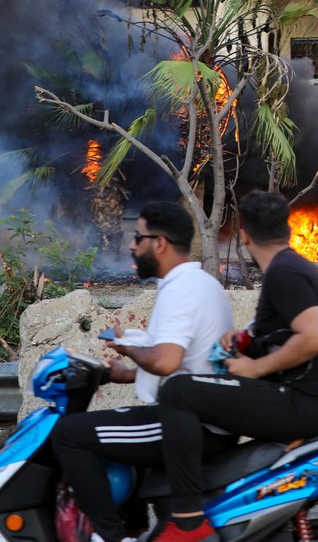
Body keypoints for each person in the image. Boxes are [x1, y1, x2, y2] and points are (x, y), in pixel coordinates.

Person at [149, 190, 318, 542]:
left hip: (303, 401)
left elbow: (315, 337)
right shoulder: (295, 266)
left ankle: (187, 521)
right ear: (287, 229)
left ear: (244, 235)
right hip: (310, 400)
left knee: (178, 391)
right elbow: (286, 333)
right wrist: (245, 342)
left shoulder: (284, 272)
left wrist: (255, 369)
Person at [50, 201, 235, 542]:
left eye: (138, 237)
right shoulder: (200, 283)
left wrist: (129, 349)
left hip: (193, 428)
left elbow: (166, 361)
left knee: (70, 434)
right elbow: (188, 360)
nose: (132, 245)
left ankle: (108, 535)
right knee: (114, 430)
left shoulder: (180, 289)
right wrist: (128, 373)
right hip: (199, 417)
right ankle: (133, 528)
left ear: (160, 243)